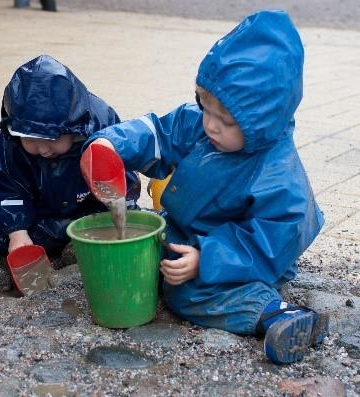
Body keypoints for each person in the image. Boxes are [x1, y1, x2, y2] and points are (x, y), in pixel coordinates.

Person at [83, 10, 328, 365]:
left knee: (184, 293)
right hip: (192, 228)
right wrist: (110, 146)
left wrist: (206, 260)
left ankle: (275, 313)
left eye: (226, 120)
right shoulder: (200, 125)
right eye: (205, 105)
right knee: (144, 257)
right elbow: (158, 133)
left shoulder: (280, 178)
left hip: (249, 251)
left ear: (263, 121)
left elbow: (268, 242)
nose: (210, 125)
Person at [0, 54, 140, 258]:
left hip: (80, 201)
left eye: (52, 140)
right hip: (30, 191)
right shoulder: (13, 137)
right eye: (31, 141)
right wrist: (17, 231)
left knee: (68, 230)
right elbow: (7, 186)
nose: (43, 149)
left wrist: (122, 211)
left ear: (72, 128)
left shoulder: (100, 127)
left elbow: (122, 178)